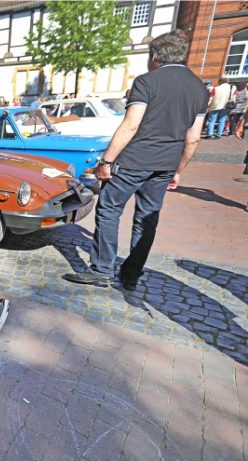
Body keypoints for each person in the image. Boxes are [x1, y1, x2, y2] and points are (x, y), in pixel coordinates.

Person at [64, 30, 208, 290]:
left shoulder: (147, 81)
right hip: (166, 164)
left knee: (109, 210)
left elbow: (131, 126)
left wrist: (106, 162)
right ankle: (131, 274)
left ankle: (102, 269)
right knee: (147, 217)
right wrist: (178, 170)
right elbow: (193, 138)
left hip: (133, 161)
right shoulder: (199, 88)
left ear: (154, 56)